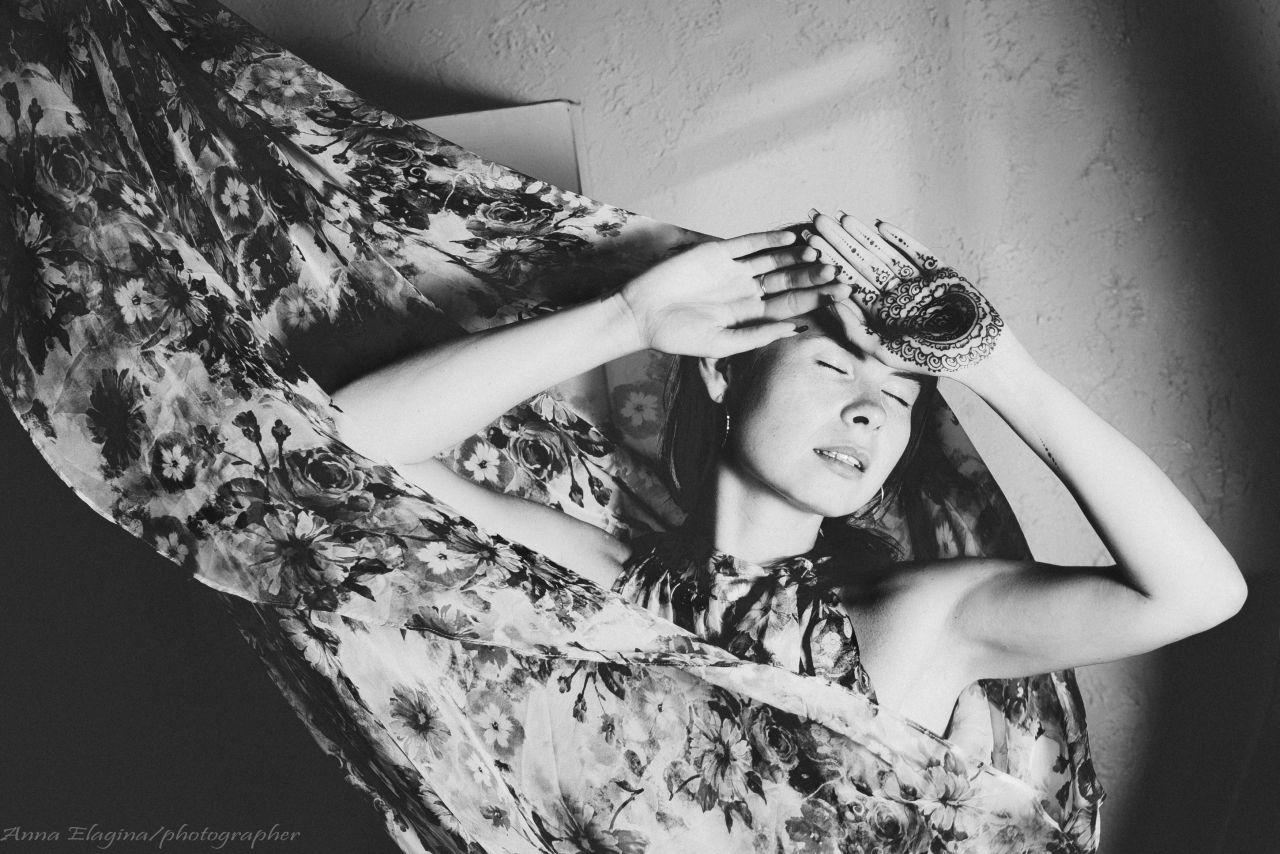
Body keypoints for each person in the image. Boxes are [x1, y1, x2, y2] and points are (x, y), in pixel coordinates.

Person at [330, 208, 1248, 741]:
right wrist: (626, 321)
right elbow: (333, 445)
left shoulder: (922, 619)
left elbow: (1199, 596)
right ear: (725, 374)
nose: (872, 411)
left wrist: (1001, 369)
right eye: (834, 367)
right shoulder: (596, 573)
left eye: (903, 396)